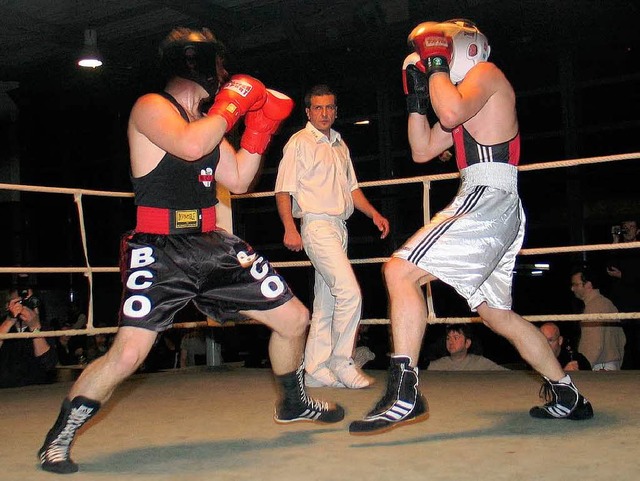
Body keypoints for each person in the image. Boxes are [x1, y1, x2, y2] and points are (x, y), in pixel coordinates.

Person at [38, 27, 343, 475]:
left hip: (211, 243)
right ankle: (58, 439)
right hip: (160, 250)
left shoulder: (205, 121)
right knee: (128, 354)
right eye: (219, 65)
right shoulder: (151, 108)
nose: (224, 74)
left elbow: (238, 178)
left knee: (294, 318)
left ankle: (294, 402)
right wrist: (233, 104)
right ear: (195, 62)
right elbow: (190, 146)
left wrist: (259, 130)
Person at [349, 19, 593, 434]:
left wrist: (436, 64)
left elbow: (449, 110)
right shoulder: (466, 102)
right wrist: (416, 96)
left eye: (438, 52)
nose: (432, 61)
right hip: (493, 201)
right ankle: (568, 393)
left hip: (488, 196)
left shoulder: (486, 75)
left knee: (398, 270)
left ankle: (405, 388)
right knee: (497, 315)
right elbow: (422, 149)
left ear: (460, 47)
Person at [274, 84, 390, 389]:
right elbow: (283, 189)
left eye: (329, 108)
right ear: (308, 111)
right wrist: (289, 227)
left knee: (326, 302)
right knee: (349, 292)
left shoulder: (340, 145)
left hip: (340, 227)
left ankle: (314, 368)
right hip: (315, 224)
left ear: (335, 111)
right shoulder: (298, 142)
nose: (324, 113)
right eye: (318, 108)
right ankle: (342, 361)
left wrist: (373, 213)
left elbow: (352, 189)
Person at [571, 267, 626, 370]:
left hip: (599, 366)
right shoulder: (607, 303)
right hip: (611, 364)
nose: (572, 288)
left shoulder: (593, 307)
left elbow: (594, 344)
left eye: (575, 284)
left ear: (588, 285)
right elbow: (621, 338)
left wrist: (583, 367)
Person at [0, 288, 57, 388]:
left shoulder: (45, 327)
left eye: (29, 301)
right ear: (8, 305)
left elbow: (48, 364)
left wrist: (34, 328)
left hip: (35, 390)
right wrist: (9, 321)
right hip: (5, 391)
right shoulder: (2, 326)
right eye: (19, 302)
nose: (24, 306)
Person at [606, 219, 640, 369]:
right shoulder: (619, 247)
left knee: (636, 339)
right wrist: (615, 240)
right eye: (625, 227)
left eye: (631, 227)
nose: (628, 230)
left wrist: (623, 276)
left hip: (637, 301)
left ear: (638, 230)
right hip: (620, 303)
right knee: (624, 339)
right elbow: (609, 268)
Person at [427, 324, 508, 371]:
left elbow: (507, 374)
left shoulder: (480, 363)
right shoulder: (436, 366)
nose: (450, 341)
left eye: (455, 337)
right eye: (448, 338)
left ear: (467, 343)